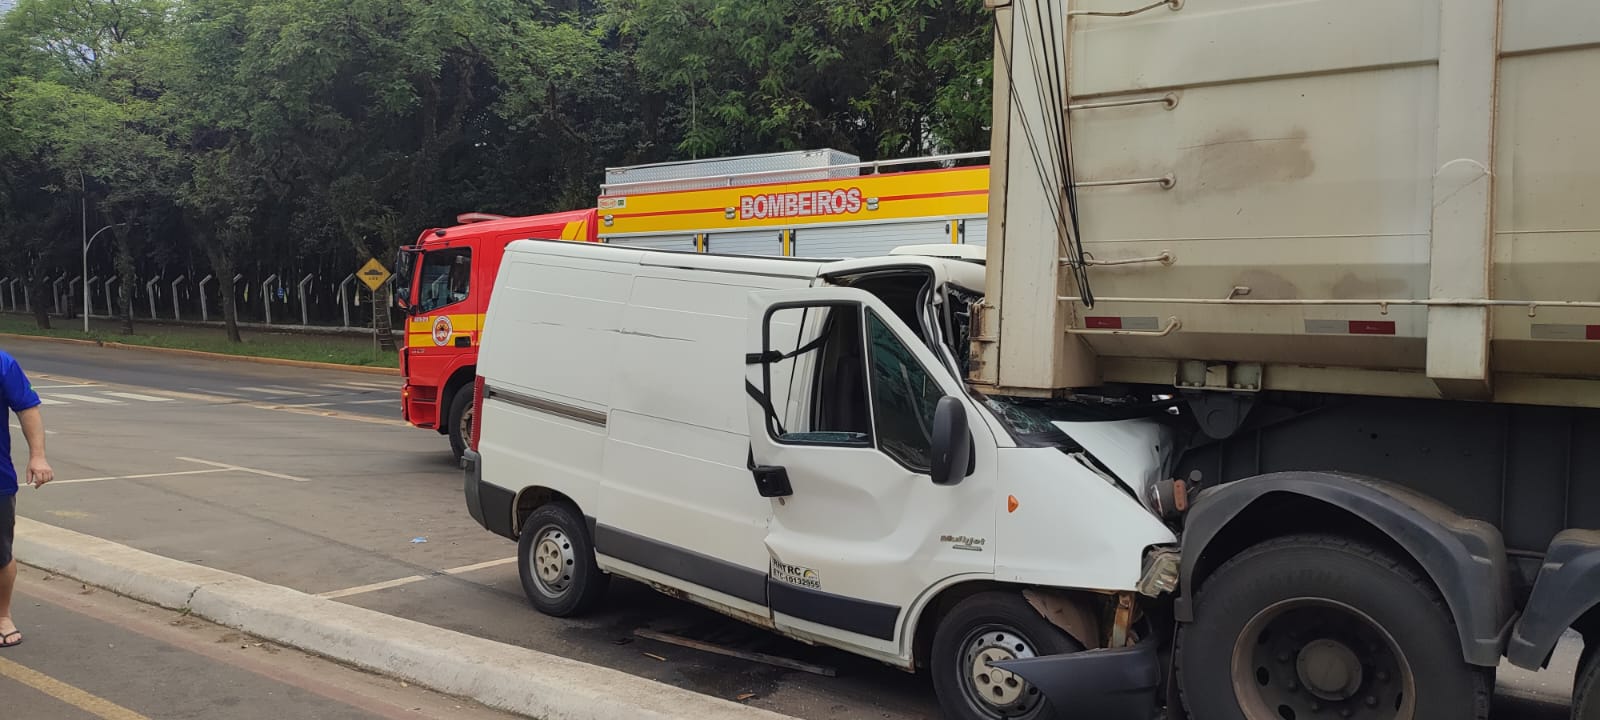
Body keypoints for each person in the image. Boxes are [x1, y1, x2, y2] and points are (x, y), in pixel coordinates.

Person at [0, 351, 52, 648]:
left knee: (0, 553)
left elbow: (27, 408)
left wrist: (38, 456)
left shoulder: (2, 363)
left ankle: (2, 616)